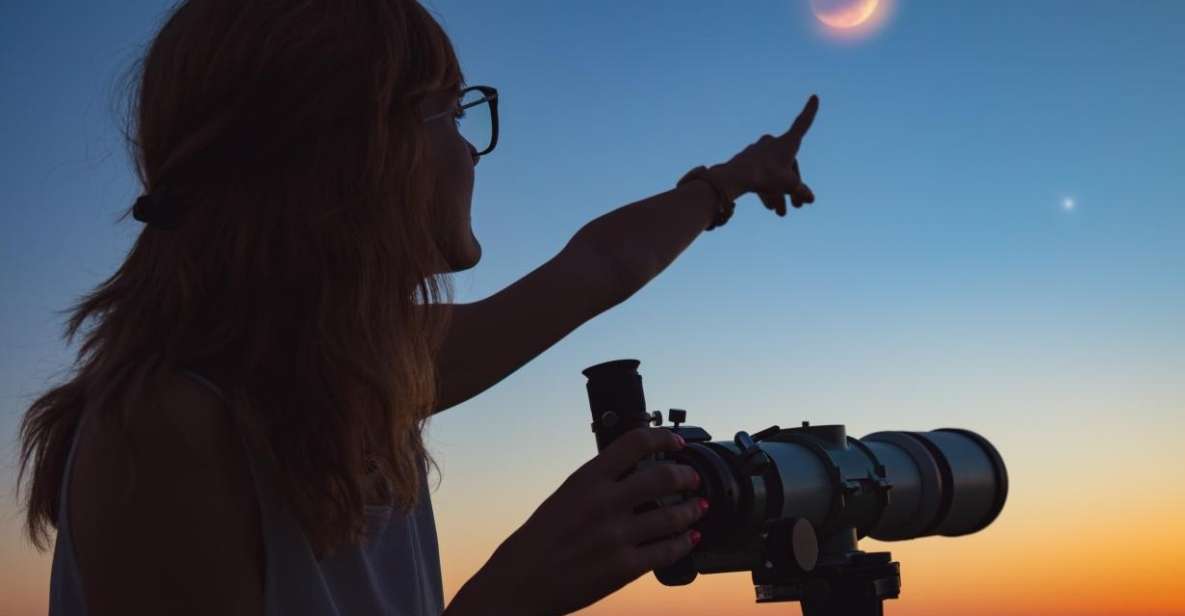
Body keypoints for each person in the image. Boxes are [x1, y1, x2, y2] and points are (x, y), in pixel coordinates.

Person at [16, 1, 820, 614]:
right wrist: (509, 595)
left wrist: (729, 180)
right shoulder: (163, 429)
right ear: (346, 150)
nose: (471, 147)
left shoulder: (355, 366)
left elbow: (603, 264)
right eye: (446, 110)